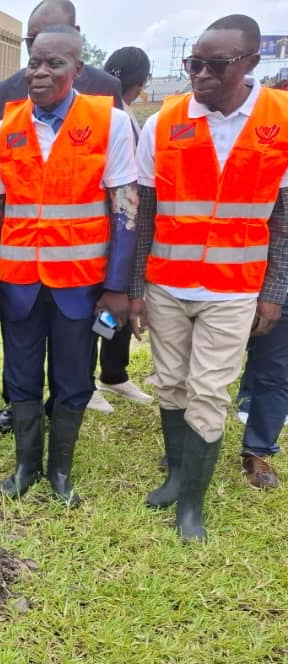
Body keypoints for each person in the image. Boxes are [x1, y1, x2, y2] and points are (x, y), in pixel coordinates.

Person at [130, 15, 288, 537]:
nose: (200, 75)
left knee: (208, 391)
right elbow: (147, 213)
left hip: (234, 289)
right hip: (168, 285)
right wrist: (137, 290)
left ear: (249, 63)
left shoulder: (281, 120)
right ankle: (177, 477)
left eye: (215, 64)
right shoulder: (164, 122)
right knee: (171, 385)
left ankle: (191, 505)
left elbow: (284, 220)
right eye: (192, 64)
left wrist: (273, 292)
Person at [0, 25, 138, 508]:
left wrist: (117, 288)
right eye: (34, 63)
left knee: (73, 379)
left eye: (54, 64)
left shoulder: (111, 123)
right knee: (20, 376)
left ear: (78, 69)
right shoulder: (4, 129)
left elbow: (125, 210)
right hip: (19, 283)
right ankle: (25, 466)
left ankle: (60, 471)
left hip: (82, 287)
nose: (40, 73)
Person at [72, 46, 154, 412]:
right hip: (100, 237)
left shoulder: (125, 118)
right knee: (100, 313)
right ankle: (89, 379)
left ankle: (113, 372)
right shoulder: (110, 119)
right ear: (140, 84)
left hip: (120, 238)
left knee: (114, 311)